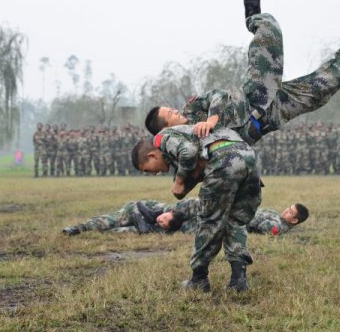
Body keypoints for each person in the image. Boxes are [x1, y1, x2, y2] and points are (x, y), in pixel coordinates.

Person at [144, 0, 340, 145]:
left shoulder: (193, 109)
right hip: (272, 113)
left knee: (270, 32)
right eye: (172, 115)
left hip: (254, 94)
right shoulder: (179, 143)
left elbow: (217, 95)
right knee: (325, 86)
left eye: (172, 109)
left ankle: (253, 18)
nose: (178, 112)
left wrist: (214, 117)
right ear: (167, 129)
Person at [132, 124, 261, 292]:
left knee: (209, 222)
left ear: (152, 155)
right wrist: (184, 184)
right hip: (248, 157)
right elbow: (197, 163)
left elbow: (189, 151)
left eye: (148, 170)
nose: (154, 174)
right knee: (236, 220)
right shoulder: (179, 141)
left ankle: (199, 279)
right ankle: (238, 280)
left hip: (224, 159)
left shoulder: (161, 138)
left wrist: (179, 180)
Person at [63, 198, 309, 236]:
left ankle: (154, 220)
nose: (286, 212)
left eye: (291, 213)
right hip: (211, 216)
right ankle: (84, 227)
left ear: (294, 221)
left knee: (192, 205)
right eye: (288, 208)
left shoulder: (277, 225)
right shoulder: (277, 215)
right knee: (134, 208)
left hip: (218, 221)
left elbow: (262, 228)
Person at [62, 198, 199, 235]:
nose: (161, 220)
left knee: (123, 232)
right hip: (134, 213)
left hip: (145, 227)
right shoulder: (159, 207)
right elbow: (137, 205)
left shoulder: (167, 228)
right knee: (111, 221)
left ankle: (103, 233)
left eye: (163, 222)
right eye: (163, 217)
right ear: (169, 211)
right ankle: (80, 228)